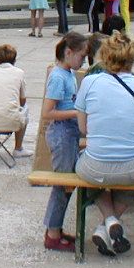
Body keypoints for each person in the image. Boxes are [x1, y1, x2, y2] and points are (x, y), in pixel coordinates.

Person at [74, 31, 134, 256]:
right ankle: (109, 224)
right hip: (133, 166)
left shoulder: (90, 82)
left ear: (105, 55)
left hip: (96, 166)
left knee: (90, 171)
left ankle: (108, 221)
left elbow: (83, 129)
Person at [41, 32, 89, 251]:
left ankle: (56, 228)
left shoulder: (68, 73)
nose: (83, 61)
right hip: (61, 133)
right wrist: (76, 112)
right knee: (62, 185)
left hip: (70, 132)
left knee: (67, 185)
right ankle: (52, 233)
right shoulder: (58, 76)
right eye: (81, 56)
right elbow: (47, 112)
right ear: (68, 52)